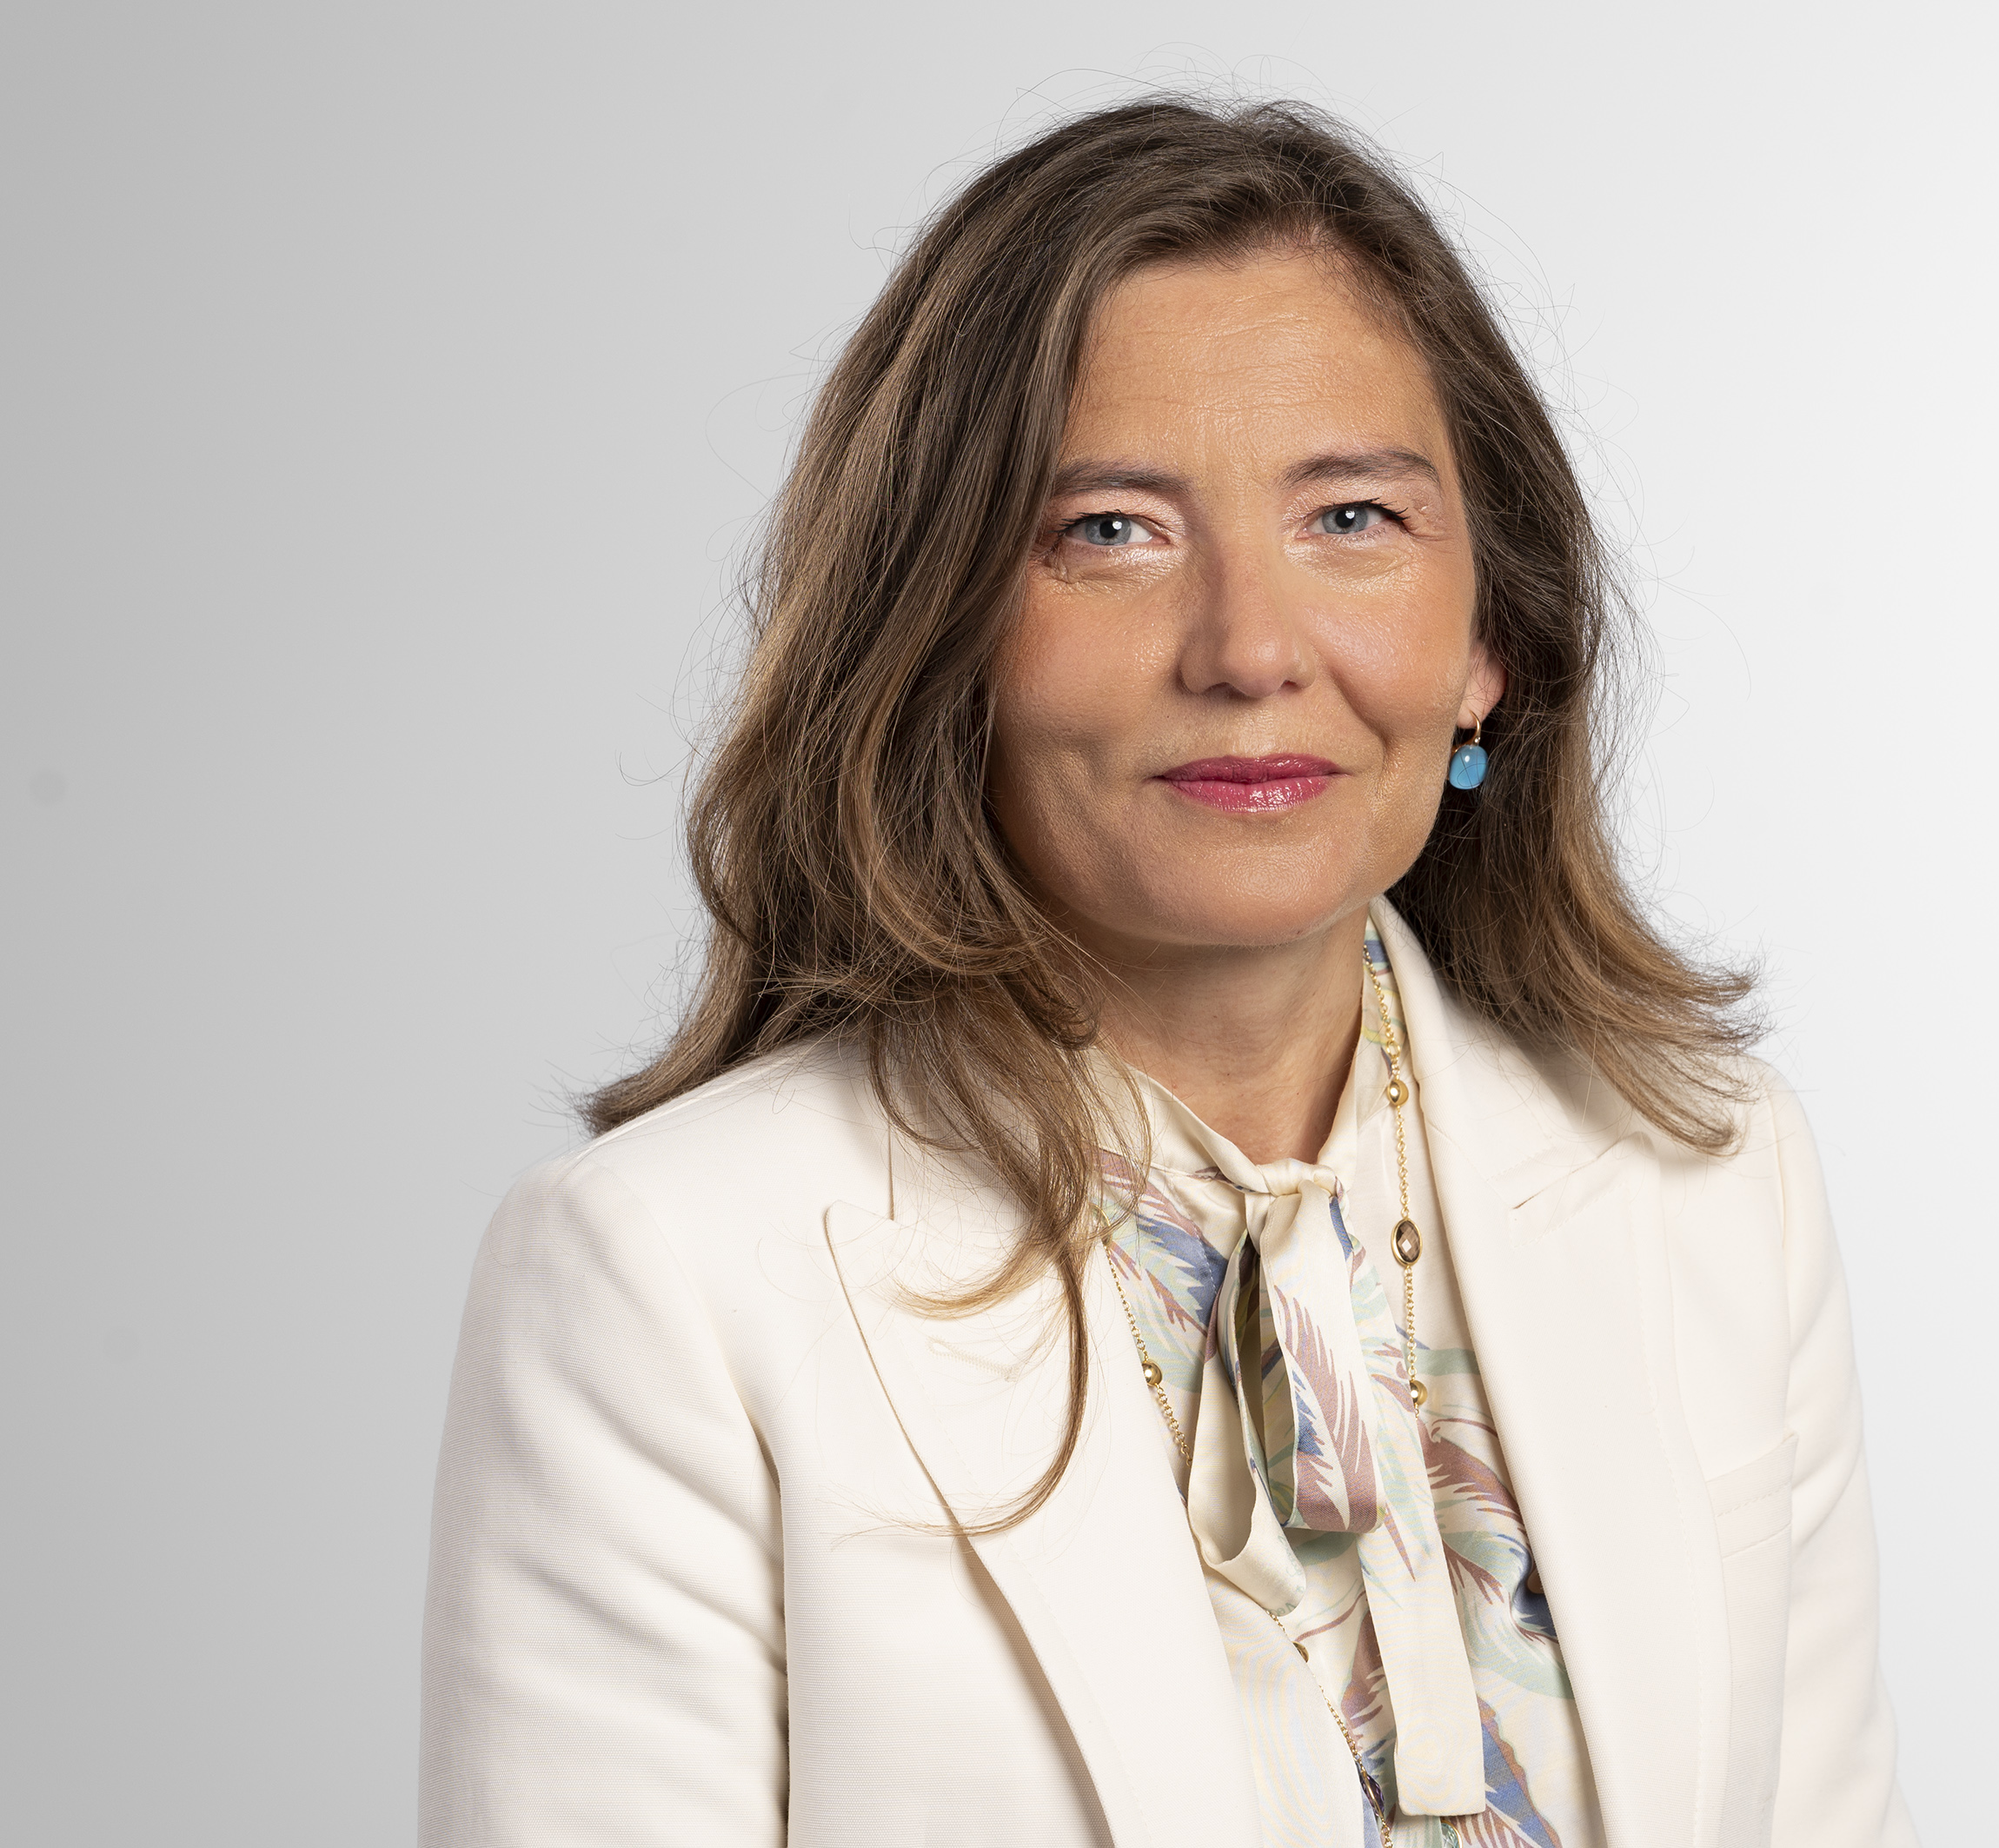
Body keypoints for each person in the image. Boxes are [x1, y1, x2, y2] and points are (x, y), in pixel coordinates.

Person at [420, 97, 1918, 1848]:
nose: (1249, 650)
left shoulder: (1712, 1179)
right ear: (935, 632)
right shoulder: (662, 1282)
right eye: (1109, 532)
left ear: (1490, 638)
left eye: (1350, 515)